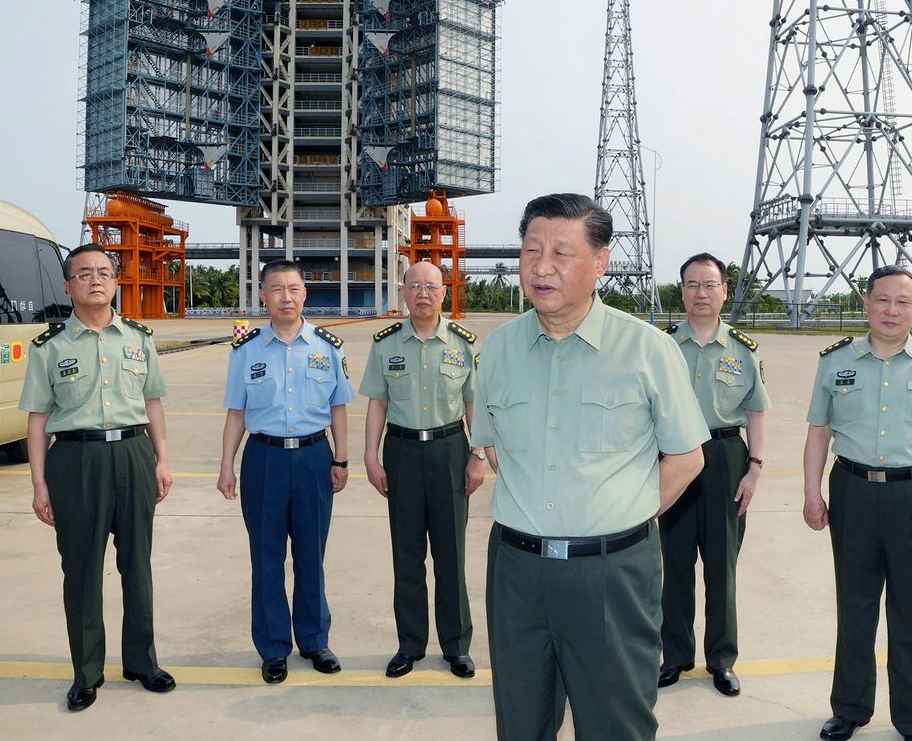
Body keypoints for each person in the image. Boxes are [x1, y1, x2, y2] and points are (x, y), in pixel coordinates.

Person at [470, 193, 710, 741]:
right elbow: (493, 448)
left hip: (611, 574)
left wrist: (622, 515)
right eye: (531, 250)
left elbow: (687, 458)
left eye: (561, 252)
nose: (541, 266)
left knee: (614, 725)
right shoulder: (500, 349)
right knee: (520, 723)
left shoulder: (647, 349)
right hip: (517, 570)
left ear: (600, 263)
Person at [803, 265, 912, 741]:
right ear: (866, 303)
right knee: (854, 605)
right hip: (853, 491)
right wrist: (811, 491)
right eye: (882, 300)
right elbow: (818, 432)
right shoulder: (836, 362)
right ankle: (850, 708)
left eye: (903, 301)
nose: (892, 310)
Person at [20, 243, 176, 712]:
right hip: (75, 461)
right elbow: (37, 420)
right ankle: (86, 673)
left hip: (133, 454)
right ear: (68, 286)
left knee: (138, 565)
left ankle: (142, 662)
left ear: (115, 282)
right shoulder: (50, 347)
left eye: (104, 272)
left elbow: (153, 405)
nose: (95, 280)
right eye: (84, 273)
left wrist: (162, 459)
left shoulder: (138, 338)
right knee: (82, 572)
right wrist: (40, 484)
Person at [217, 259, 353, 684]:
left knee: (312, 555)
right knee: (267, 557)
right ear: (263, 295)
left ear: (305, 294)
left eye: (293, 288)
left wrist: (341, 458)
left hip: (314, 458)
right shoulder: (247, 350)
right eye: (276, 289)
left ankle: (314, 641)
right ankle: (274, 648)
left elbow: (338, 408)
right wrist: (227, 465)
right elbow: (236, 413)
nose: (286, 297)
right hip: (264, 459)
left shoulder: (328, 346)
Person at [359, 260, 485, 679]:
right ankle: (410, 645)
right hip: (402, 452)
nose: (423, 293)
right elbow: (377, 401)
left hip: (451, 451)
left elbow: (474, 405)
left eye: (431, 286)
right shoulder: (386, 344)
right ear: (404, 293)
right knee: (407, 556)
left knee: (451, 555)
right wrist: (370, 456)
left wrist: (477, 456)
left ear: (443, 292)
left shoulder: (463, 344)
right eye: (415, 286)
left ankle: (456, 646)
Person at [657, 252, 770, 697]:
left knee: (722, 567)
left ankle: (721, 660)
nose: (700, 293)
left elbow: (757, 413)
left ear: (725, 290)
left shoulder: (743, 351)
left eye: (709, 284)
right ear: (681, 291)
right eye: (691, 284)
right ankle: (676, 656)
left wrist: (754, 470)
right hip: (673, 458)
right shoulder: (662, 345)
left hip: (726, 458)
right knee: (675, 565)